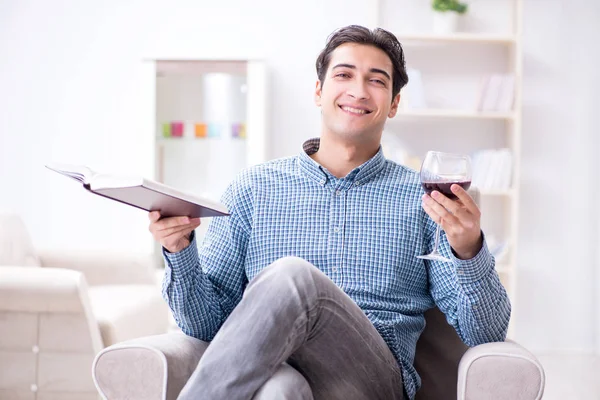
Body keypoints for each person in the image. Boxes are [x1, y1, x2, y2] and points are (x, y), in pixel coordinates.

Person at [148, 24, 511, 400]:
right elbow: (207, 326)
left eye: (376, 81)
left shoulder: (424, 201)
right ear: (319, 91)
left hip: (371, 380)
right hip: (279, 371)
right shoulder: (252, 189)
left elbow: (485, 334)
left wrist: (468, 249)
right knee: (279, 391)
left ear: (394, 103)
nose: (357, 91)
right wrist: (180, 252)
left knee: (294, 277)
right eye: (344, 75)